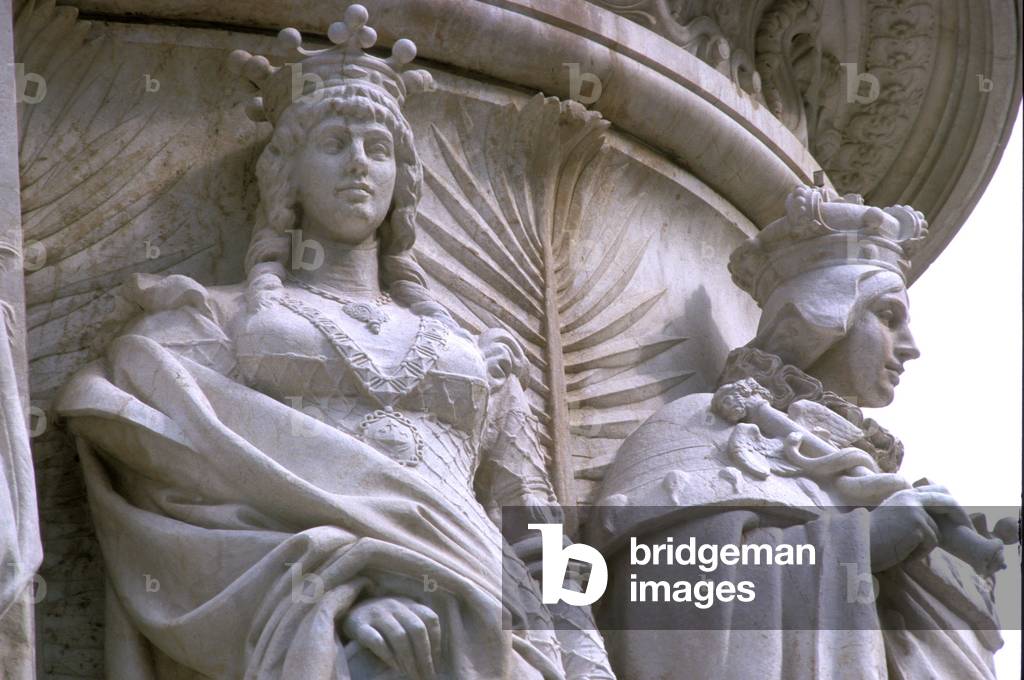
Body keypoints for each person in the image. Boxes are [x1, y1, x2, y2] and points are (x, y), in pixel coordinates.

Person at [56, 7, 612, 679]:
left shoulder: (475, 353)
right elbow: (180, 516)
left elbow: (535, 534)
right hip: (342, 639)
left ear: (402, 181)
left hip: (496, 635)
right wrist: (333, 596)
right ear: (286, 173)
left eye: (379, 149)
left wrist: (585, 662)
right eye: (334, 143)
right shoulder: (209, 331)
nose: (359, 164)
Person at [593, 185, 1005, 679]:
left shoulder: (872, 473)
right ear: (825, 314)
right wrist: (859, 546)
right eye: (889, 317)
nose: (911, 346)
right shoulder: (705, 424)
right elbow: (656, 587)